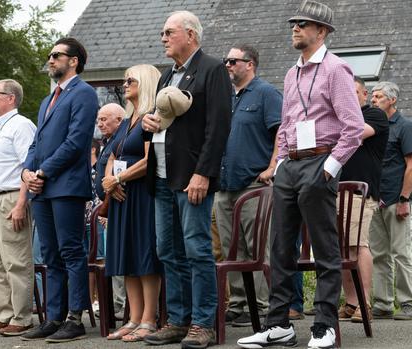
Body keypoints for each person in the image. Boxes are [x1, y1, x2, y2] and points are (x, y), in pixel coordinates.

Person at [237, 2, 364, 348]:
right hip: (290, 165)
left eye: (303, 24)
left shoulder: (337, 69)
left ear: (321, 32)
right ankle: (279, 325)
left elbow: (354, 128)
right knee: (280, 248)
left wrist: (328, 168)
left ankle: (324, 326)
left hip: (319, 161)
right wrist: (279, 163)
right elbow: (287, 124)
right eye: (294, 23)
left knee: (325, 249)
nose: (294, 28)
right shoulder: (291, 73)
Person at [141, 11, 231, 349]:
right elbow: (164, 120)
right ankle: (178, 320)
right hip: (162, 174)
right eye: (162, 32)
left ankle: (203, 324)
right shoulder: (166, 76)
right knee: (168, 250)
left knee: (196, 249)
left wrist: (203, 172)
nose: (163, 38)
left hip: (190, 175)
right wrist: (150, 122)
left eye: (168, 32)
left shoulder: (212, 69)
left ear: (190, 35)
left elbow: (219, 127)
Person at [21, 37, 98, 343]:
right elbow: (36, 143)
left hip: (66, 186)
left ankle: (75, 318)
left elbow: (76, 141)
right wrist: (27, 171)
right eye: (49, 55)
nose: (50, 60)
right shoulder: (47, 99)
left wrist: (43, 171)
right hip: (41, 188)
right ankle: (54, 317)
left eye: (56, 55)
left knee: (71, 251)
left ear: (74, 61)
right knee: (50, 254)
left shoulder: (84, 94)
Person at [216, 44, 281, 327]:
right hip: (225, 184)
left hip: (254, 184)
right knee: (232, 249)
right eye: (225, 61)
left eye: (233, 61)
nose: (227, 65)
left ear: (250, 63)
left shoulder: (266, 93)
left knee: (257, 248)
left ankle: (262, 306)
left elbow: (281, 131)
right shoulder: (228, 98)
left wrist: (272, 167)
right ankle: (241, 304)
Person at [102, 64, 162, 341]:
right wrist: (108, 181)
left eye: (130, 80)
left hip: (142, 195)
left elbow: (151, 160)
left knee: (144, 255)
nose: (124, 84)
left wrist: (119, 178)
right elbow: (112, 155)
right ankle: (133, 317)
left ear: (146, 82)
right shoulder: (126, 120)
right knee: (125, 256)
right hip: (121, 195)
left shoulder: (152, 117)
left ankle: (149, 318)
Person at [0, 79, 37, 337]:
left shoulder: (22, 126)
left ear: (11, 98)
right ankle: (2, 314)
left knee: (16, 259)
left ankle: (22, 316)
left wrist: (21, 203)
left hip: (12, 196)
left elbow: (28, 166)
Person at [337, 77, 388, 323]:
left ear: (364, 94)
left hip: (360, 192)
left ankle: (364, 303)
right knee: (342, 248)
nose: (347, 96)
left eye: (353, 92)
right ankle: (351, 302)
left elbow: (355, 133)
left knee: (358, 245)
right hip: (336, 191)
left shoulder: (375, 115)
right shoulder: (340, 117)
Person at [369, 81, 412, 320]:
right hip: (375, 199)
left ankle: (408, 303)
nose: (373, 100)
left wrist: (405, 198)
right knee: (379, 254)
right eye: (372, 96)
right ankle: (383, 303)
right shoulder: (375, 126)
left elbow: (411, 166)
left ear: (392, 100)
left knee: (401, 253)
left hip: (396, 199)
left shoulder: (404, 126)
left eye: (378, 97)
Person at [95, 103, 126, 318]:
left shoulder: (122, 141)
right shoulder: (107, 143)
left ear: (119, 120)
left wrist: (107, 206)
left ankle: (124, 306)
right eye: (99, 120)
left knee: (121, 257)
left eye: (105, 119)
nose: (100, 123)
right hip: (109, 209)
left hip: (118, 205)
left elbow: (118, 174)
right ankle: (117, 305)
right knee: (112, 257)